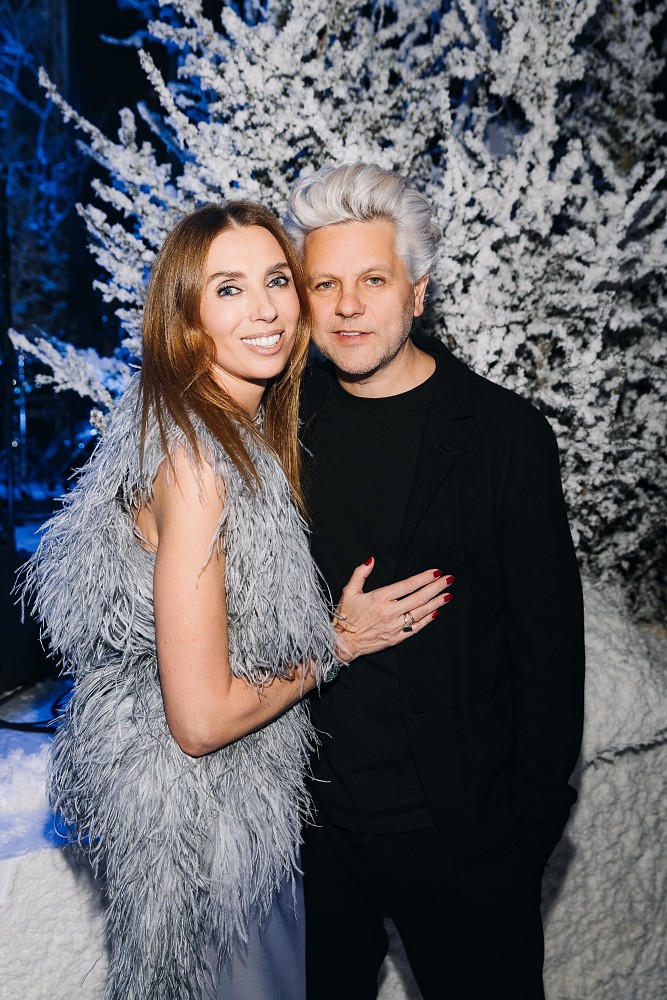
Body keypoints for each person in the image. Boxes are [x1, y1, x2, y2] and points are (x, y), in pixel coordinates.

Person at [21, 202, 451, 1000]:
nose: (264, 310)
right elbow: (201, 720)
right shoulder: (198, 468)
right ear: (187, 321)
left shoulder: (224, 435)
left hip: (233, 823)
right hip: (210, 843)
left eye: (276, 281)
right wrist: (338, 642)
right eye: (228, 288)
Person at [285, 163, 585, 1000]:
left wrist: (522, 833)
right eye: (324, 284)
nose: (347, 306)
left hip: (461, 838)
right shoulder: (280, 426)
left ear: (417, 292)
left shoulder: (501, 435)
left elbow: (548, 648)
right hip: (312, 838)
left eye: (373, 280)